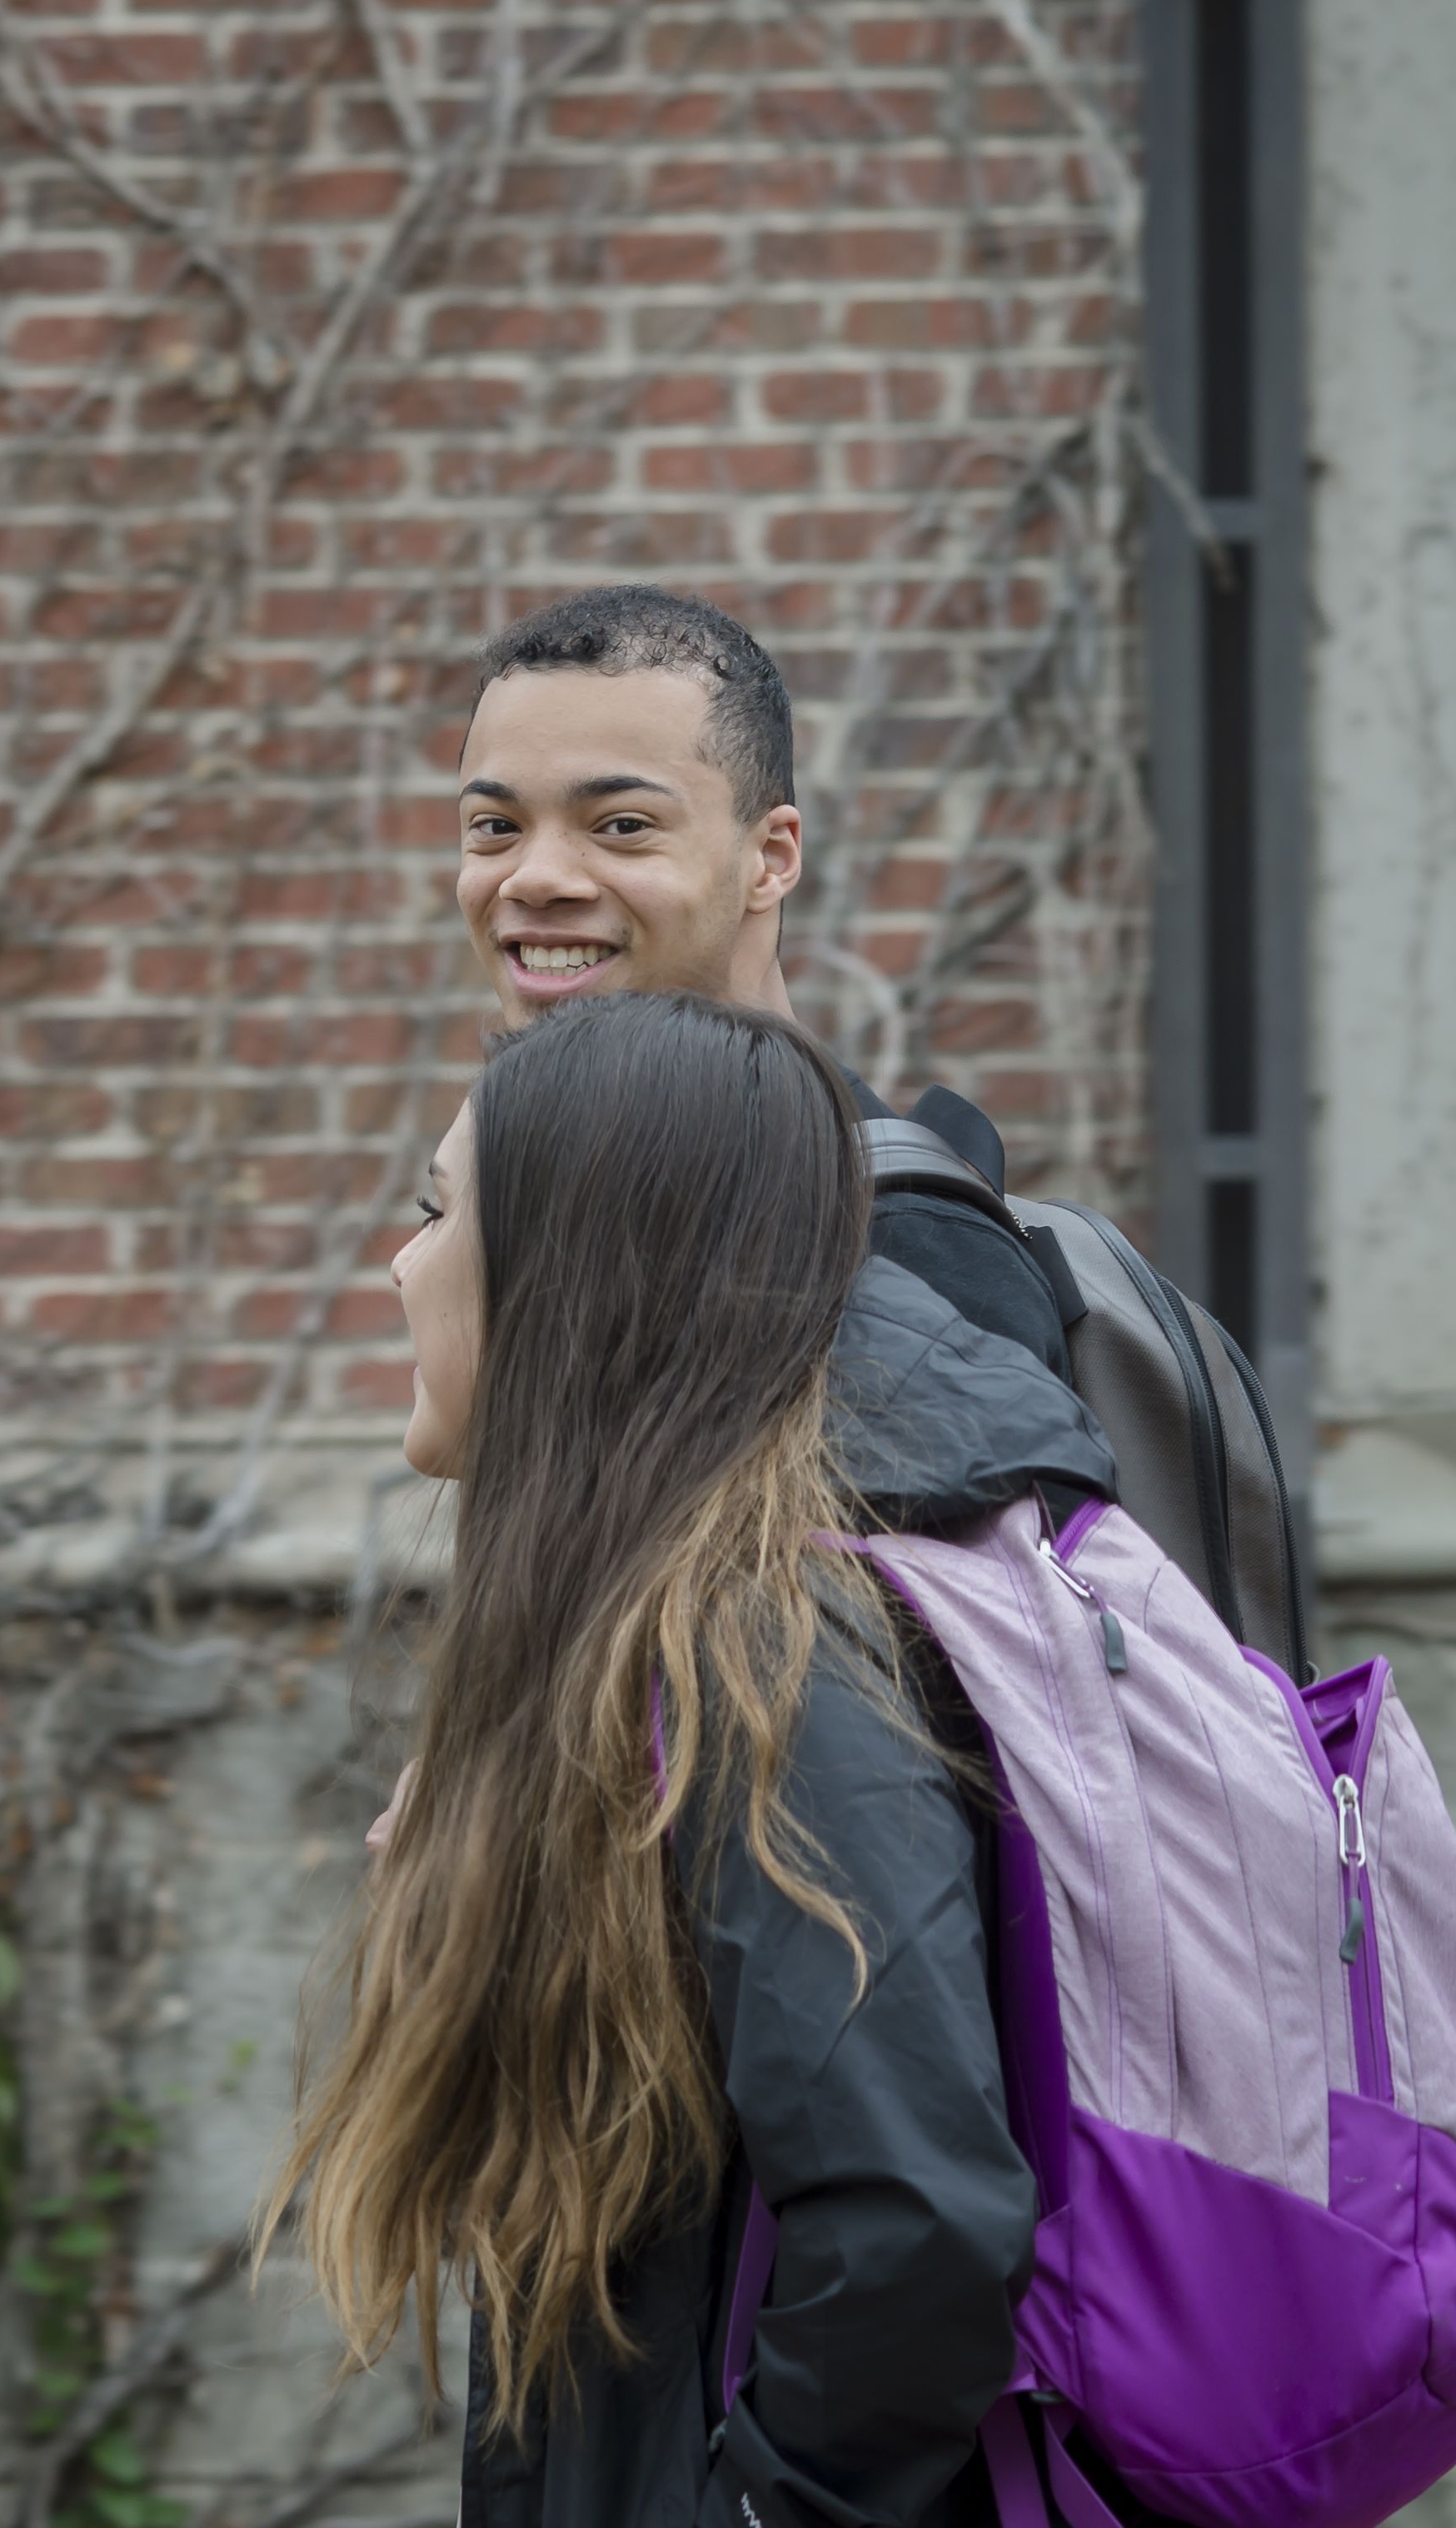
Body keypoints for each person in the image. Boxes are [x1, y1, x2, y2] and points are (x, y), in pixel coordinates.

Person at [265, 993, 1053, 2527]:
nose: (402, 1262)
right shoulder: (655, 1634)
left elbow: (921, 2226)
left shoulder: (760, 1654)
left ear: (570, 1272)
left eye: (436, 1212)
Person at [455, 583, 1080, 1382]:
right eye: (496, 828)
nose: (535, 878)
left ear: (772, 858)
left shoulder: (905, 1249)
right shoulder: (548, 1203)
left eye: (623, 826)